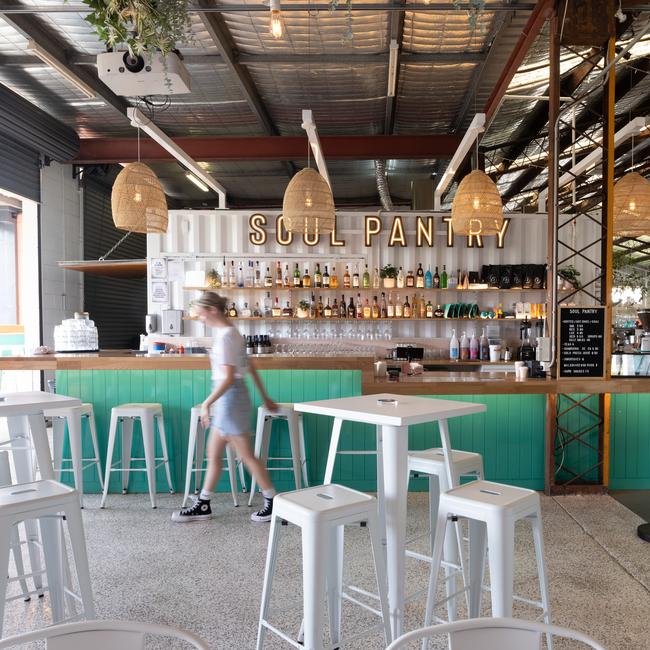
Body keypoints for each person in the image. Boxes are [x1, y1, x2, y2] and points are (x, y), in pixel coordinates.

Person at [172, 292, 278, 523]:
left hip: (229, 398)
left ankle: (272, 501)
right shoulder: (232, 333)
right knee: (214, 454)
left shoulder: (227, 337)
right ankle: (204, 503)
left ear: (212, 310)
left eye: (201, 314)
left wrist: (206, 404)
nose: (200, 319)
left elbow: (230, 377)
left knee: (246, 456)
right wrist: (264, 396)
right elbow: (250, 367)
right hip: (230, 398)